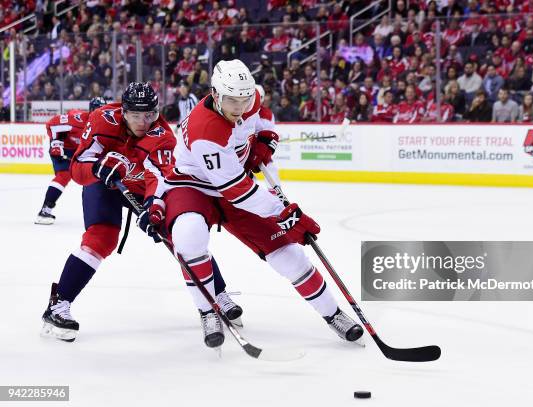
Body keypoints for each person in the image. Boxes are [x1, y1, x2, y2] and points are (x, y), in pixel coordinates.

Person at [153, 60, 364, 349]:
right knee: (189, 237)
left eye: (245, 99)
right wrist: (285, 214)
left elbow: (262, 113)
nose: (239, 106)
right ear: (215, 94)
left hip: (233, 180)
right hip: (194, 185)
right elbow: (237, 191)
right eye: (231, 100)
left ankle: (333, 313)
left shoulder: (249, 97)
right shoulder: (207, 131)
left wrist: (265, 136)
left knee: (289, 255)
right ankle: (207, 310)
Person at [40, 83, 242, 343]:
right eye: (136, 115)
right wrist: (97, 168)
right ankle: (58, 304)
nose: (143, 122)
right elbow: (78, 169)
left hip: (143, 189)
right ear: (123, 112)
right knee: (100, 239)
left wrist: (153, 208)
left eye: (149, 114)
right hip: (104, 184)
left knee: (180, 235)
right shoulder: (102, 119)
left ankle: (218, 295)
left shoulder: (163, 135)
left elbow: (160, 179)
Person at [35, 97, 107, 225]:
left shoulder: (105, 126)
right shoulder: (77, 120)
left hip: (81, 151)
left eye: (102, 111)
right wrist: (57, 144)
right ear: (91, 110)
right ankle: (45, 209)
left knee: (97, 177)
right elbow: (52, 123)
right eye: (97, 111)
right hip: (65, 149)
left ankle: (104, 212)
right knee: (63, 175)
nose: (99, 114)